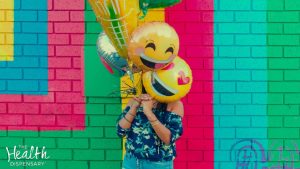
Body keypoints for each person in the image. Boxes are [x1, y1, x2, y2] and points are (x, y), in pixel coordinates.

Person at [116, 93, 184, 169]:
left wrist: (148, 112)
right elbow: (120, 132)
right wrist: (134, 108)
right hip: (131, 162)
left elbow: (169, 139)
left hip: (158, 164)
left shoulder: (174, 104)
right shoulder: (135, 101)